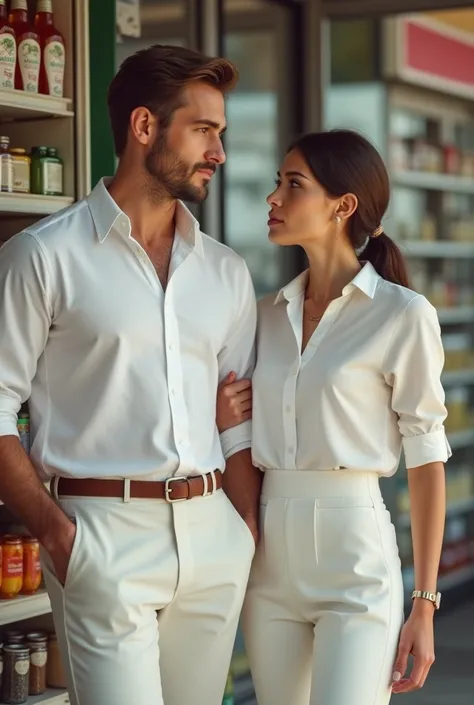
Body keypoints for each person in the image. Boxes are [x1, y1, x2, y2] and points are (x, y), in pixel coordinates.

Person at [0, 45, 262, 705]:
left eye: (221, 134)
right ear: (145, 127)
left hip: (212, 535)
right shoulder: (42, 256)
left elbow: (234, 420)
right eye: (204, 130)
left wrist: (244, 531)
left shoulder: (226, 271)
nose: (218, 153)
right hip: (100, 535)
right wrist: (56, 531)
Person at [216, 129, 450, 705]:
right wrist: (223, 417)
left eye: (293, 185)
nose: (273, 198)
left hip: (356, 556)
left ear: (343, 207)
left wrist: (425, 602)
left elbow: (426, 461)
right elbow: (240, 430)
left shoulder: (403, 314)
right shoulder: (265, 315)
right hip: (269, 561)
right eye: (277, 183)